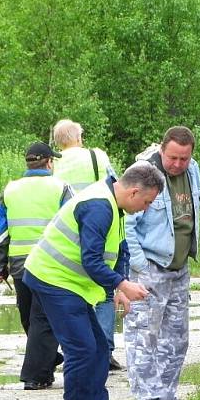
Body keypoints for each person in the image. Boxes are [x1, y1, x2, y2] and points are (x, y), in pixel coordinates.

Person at [23, 161, 165, 400]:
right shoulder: (98, 206)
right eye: (147, 202)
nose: (146, 208)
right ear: (134, 192)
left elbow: (118, 250)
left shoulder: (115, 205)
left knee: (100, 348)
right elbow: (91, 259)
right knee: (82, 349)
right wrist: (123, 284)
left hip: (72, 284)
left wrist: (118, 289)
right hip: (53, 279)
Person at [124, 126, 200, 400]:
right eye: (173, 158)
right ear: (161, 149)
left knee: (177, 337)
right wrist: (141, 267)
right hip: (151, 267)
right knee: (144, 334)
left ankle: (167, 398)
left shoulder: (192, 171)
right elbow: (127, 225)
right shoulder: (143, 173)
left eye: (184, 158)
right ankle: (147, 398)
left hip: (179, 267)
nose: (178, 164)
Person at [0, 142, 71, 390]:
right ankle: (35, 375)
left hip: (19, 263)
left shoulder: (10, 190)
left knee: (30, 317)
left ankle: (43, 366)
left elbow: (0, 232)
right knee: (42, 320)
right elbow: (73, 223)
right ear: (49, 163)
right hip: (50, 262)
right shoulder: (61, 188)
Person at [51, 118, 123, 371]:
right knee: (104, 292)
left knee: (72, 292)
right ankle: (104, 351)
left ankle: (74, 350)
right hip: (101, 224)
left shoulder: (54, 163)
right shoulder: (96, 156)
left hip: (69, 230)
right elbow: (115, 184)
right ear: (79, 137)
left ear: (57, 141)